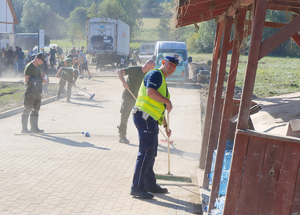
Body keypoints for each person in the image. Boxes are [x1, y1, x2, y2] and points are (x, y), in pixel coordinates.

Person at [130, 56, 179, 199]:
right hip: (144, 117)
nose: (172, 68)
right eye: (170, 64)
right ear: (163, 63)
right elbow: (150, 92)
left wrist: (165, 126)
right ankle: (137, 187)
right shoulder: (155, 74)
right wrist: (168, 101)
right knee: (146, 152)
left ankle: (149, 184)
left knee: (151, 153)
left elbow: (158, 106)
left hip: (150, 119)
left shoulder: (162, 80)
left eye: (174, 66)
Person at [117, 60, 155, 144]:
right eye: (152, 67)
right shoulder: (135, 69)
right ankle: (122, 136)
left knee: (144, 116)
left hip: (139, 98)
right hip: (128, 95)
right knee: (125, 115)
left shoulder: (147, 75)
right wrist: (124, 82)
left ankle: (146, 136)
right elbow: (119, 71)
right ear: (148, 65)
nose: (152, 69)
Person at [21, 53, 47, 133]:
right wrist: (40, 80)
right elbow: (26, 80)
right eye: (42, 61)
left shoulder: (39, 66)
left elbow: (38, 76)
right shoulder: (29, 67)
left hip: (37, 90)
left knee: (36, 109)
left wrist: (42, 77)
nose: (42, 63)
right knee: (27, 108)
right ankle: (24, 129)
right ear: (38, 59)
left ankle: (34, 128)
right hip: (30, 91)